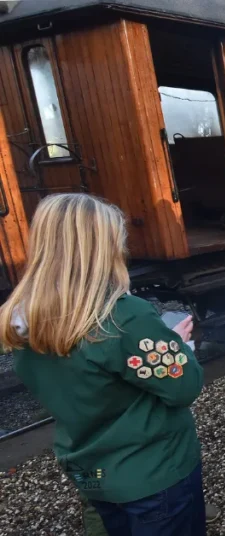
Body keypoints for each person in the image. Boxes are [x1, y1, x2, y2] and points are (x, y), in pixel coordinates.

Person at [0, 194, 206, 534]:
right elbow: (183, 388)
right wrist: (177, 346)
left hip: (91, 467)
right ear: (103, 247)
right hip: (151, 471)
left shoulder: (24, 318)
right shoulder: (124, 317)